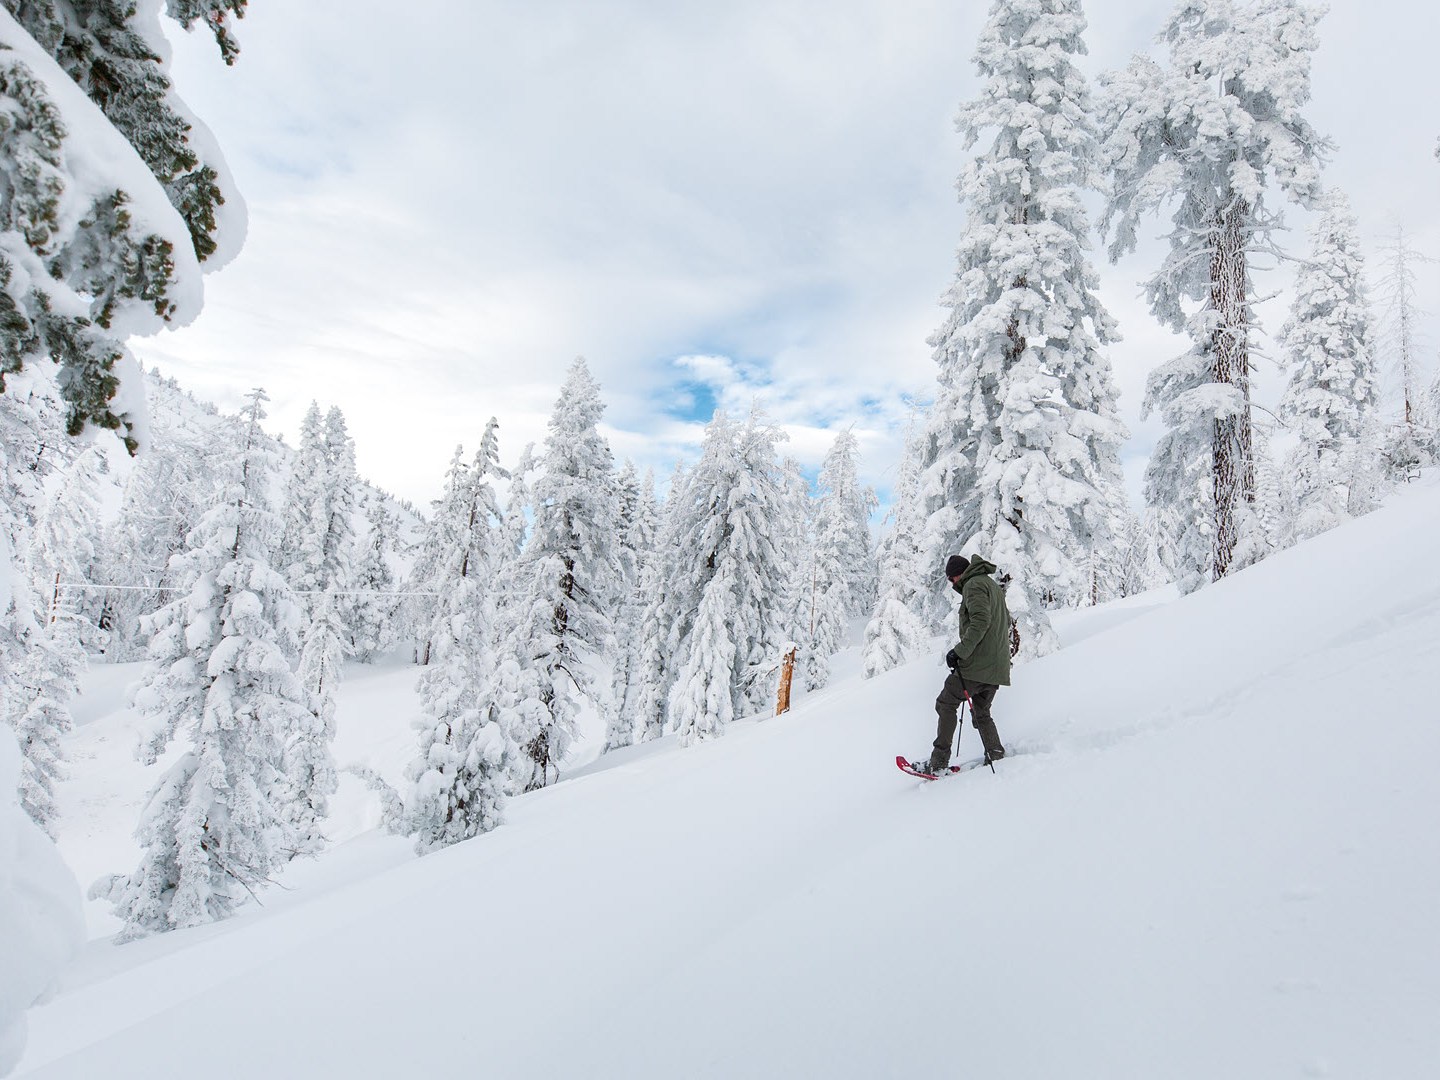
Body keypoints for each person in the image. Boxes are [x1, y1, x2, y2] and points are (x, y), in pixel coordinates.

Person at [923, 553, 1010, 772]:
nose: (952, 584)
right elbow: (1001, 621)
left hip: (977, 666)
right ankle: (995, 753)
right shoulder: (990, 585)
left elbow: (981, 622)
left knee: (946, 702)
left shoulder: (973, 585)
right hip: (996, 667)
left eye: (951, 580)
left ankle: (938, 763)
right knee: (981, 711)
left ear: (957, 575)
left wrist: (959, 652)